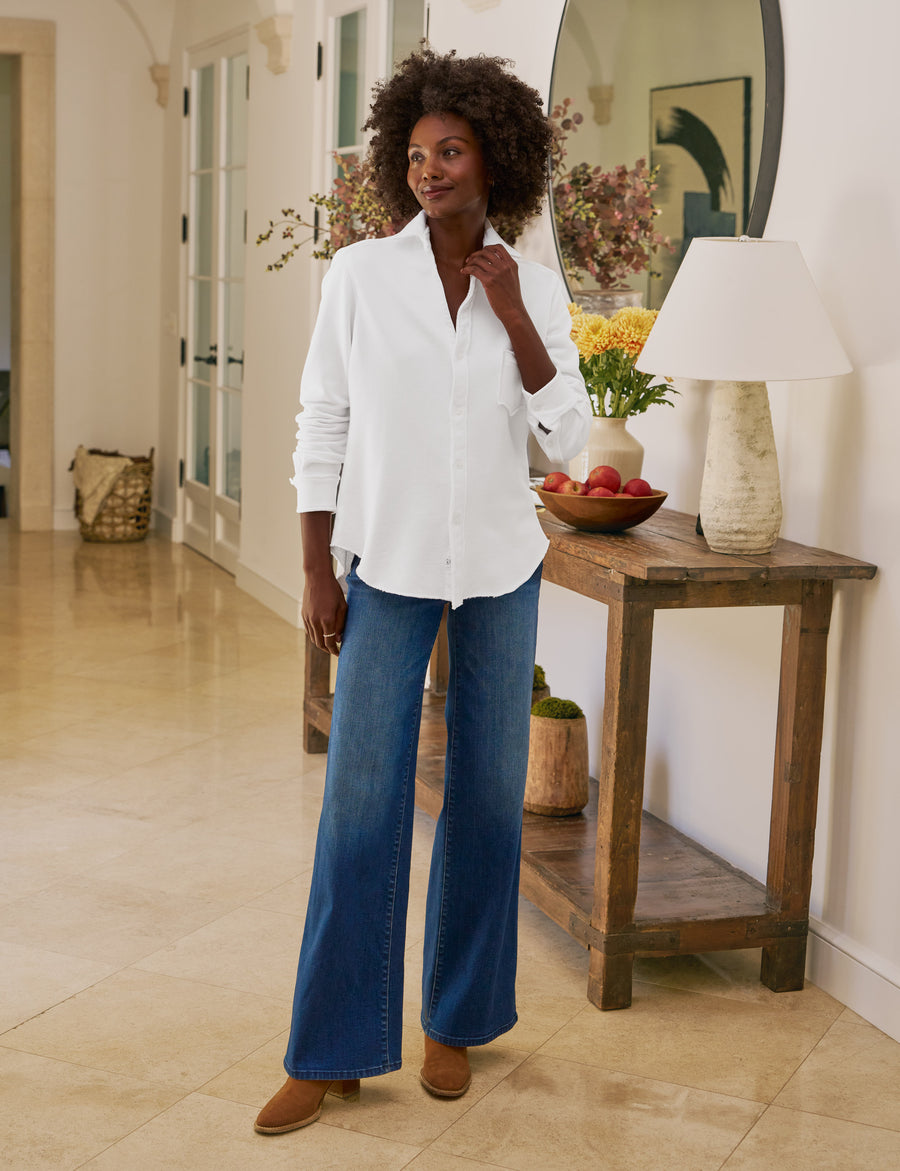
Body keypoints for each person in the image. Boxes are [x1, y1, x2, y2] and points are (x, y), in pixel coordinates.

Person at [255, 47, 590, 1136]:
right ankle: (331, 1048)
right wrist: (318, 565)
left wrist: (516, 315)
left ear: (496, 160)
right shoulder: (360, 275)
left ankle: (457, 1018)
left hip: (500, 566)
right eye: (414, 154)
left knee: (488, 801)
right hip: (387, 565)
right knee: (361, 804)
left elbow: (566, 443)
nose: (429, 170)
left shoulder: (531, 284)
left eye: (450, 151)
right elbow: (323, 420)